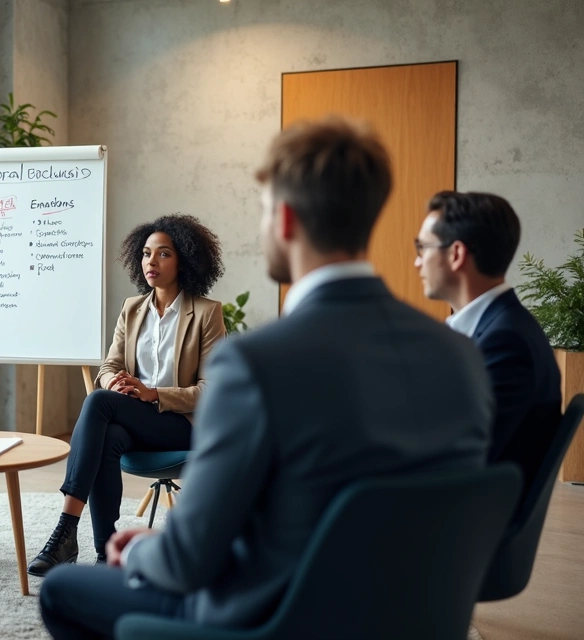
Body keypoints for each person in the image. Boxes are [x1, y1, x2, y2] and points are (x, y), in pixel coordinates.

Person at [38, 117, 493, 639]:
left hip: (279, 619)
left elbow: (189, 558)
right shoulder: (460, 355)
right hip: (412, 619)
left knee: (62, 591)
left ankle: (89, 539)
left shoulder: (255, 364)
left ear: (286, 220)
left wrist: (140, 550)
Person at [28, 214, 227, 576]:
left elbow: (211, 390)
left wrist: (153, 393)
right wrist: (114, 384)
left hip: (182, 425)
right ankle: (106, 552)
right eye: (147, 253)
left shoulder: (206, 313)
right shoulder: (132, 309)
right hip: (134, 420)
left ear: (184, 260)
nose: (152, 261)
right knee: (109, 434)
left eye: (163, 253)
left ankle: (65, 529)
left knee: (98, 402)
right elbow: (109, 366)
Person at [416, 190, 561, 493]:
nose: (417, 262)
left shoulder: (507, 341)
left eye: (423, 247)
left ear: (456, 254)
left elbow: (463, 456)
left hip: (462, 513)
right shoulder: (498, 328)